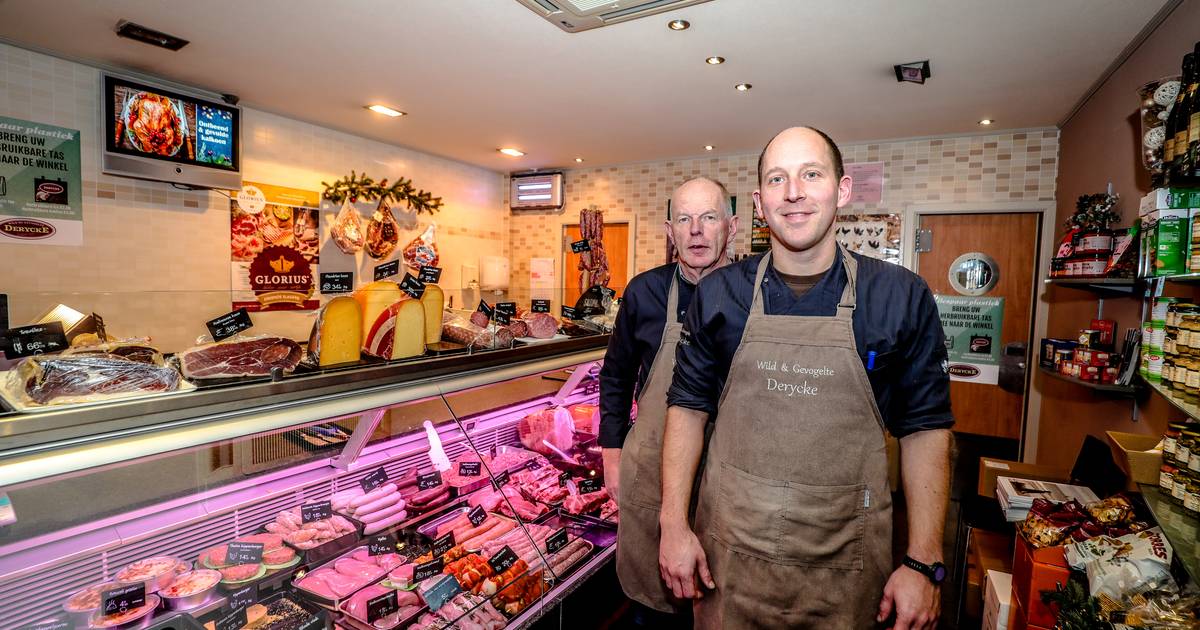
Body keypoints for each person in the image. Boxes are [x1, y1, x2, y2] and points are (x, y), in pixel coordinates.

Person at [657, 127, 954, 629]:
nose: (793, 192)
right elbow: (687, 408)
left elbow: (925, 428)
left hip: (846, 565)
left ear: (842, 189)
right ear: (759, 202)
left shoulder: (899, 296)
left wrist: (924, 561)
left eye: (811, 174)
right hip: (729, 562)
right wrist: (672, 525)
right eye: (777, 179)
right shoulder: (719, 295)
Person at [599, 176, 738, 623]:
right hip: (652, 475)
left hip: (728, 480)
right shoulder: (644, 292)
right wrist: (612, 453)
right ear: (669, 231)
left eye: (709, 217)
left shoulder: (752, 295)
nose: (696, 230)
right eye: (684, 219)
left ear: (732, 226)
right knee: (652, 612)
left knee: (720, 607)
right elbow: (617, 374)